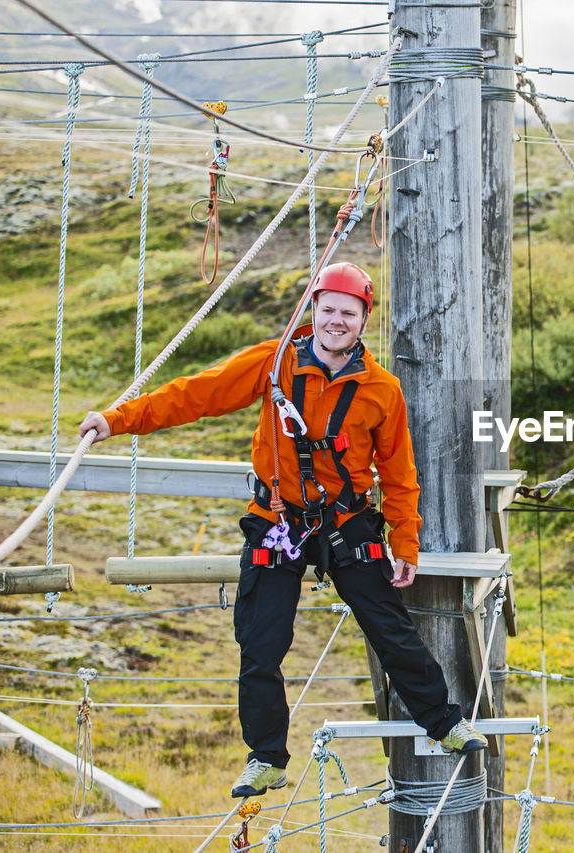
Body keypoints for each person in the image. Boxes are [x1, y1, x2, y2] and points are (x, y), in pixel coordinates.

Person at [80, 262, 486, 797]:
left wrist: (403, 542)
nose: (336, 320)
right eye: (328, 309)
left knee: (391, 628)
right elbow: (195, 395)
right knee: (261, 643)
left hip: (346, 522)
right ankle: (266, 757)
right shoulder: (275, 366)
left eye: (349, 312)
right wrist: (117, 420)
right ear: (312, 309)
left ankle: (444, 722)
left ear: (364, 320)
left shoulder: (381, 390)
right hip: (279, 522)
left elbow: (399, 473)